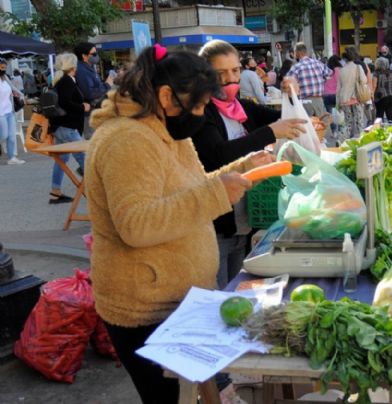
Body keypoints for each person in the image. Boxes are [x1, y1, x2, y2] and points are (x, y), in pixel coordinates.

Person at [86, 44, 271, 403]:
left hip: (181, 299)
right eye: (198, 105)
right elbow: (136, 224)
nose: (201, 115)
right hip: (145, 308)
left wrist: (243, 168)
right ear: (167, 95)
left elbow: (196, 188)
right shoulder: (127, 139)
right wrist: (217, 193)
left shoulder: (168, 130)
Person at [195, 39, 304, 288]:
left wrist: (291, 94)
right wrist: (270, 132)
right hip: (216, 224)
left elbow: (284, 119)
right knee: (219, 294)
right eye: (220, 73)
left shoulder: (242, 108)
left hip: (245, 220)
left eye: (234, 71)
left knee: (238, 288)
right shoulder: (201, 113)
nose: (229, 79)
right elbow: (217, 156)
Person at [48, 53, 88, 204]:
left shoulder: (59, 79)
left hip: (60, 126)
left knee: (62, 160)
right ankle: (99, 192)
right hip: (68, 127)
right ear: (72, 66)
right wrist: (82, 106)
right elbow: (65, 102)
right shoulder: (66, 81)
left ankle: (55, 191)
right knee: (84, 158)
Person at [74, 42, 113, 138]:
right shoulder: (82, 70)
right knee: (93, 141)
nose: (96, 56)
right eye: (94, 54)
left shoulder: (89, 68)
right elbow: (89, 93)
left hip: (95, 111)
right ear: (84, 56)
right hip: (90, 113)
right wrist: (107, 85)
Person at [286, 42, 332, 117]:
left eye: (294, 52)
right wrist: (322, 80)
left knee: (308, 126)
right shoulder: (318, 63)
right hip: (319, 100)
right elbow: (329, 73)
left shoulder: (296, 67)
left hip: (305, 101)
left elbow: (288, 82)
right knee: (322, 125)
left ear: (298, 53)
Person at [336, 46, 368, 142]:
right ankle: (360, 140)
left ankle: (341, 139)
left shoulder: (342, 70)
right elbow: (364, 80)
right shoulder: (358, 68)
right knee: (359, 121)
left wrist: (338, 103)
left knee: (348, 122)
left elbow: (338, 88)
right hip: (356, 99)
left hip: (344, 99)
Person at [0, 58, 24, 165]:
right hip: (0, 113)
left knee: (11, 135)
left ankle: (12, 157)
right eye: (2, 66)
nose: (4, 69)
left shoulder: (5, 78)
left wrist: (21, 95)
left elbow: (13, 88)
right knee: (4, 135)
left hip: (9, 111)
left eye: (4, 66)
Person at [372, 57, 392, 123]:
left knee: (379, 115)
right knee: (391, 115)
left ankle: (379, 130)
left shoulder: (376, 73)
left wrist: (372, 96)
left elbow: (374, 86)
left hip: (380, 96)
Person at [323, 55, 342, 146]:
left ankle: (334, 131)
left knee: (330, 114)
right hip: (336, 95)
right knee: (340, 113)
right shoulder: (338, 70)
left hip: (326, 94)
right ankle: (340, 131)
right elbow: (340, 82)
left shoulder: (326, 71)